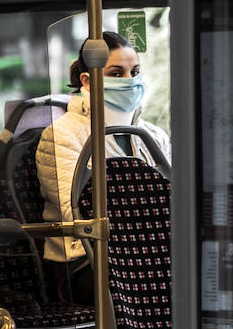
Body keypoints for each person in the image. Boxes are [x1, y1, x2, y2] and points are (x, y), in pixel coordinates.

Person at [35, 30, 170, 304]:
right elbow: (74, 209)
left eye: (135, 72)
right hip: (82, 260)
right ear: (87, 80)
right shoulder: (62, 134)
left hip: (147, 251)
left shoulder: (154, 136)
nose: (130, 81)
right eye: (116, 73)